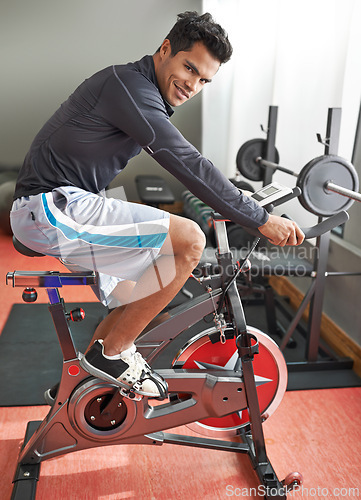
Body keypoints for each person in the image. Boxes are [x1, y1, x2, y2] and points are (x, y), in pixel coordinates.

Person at [10, 11, 304, 400]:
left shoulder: (138, 88)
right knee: (189, 240)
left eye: (204, 80)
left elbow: (190, 164)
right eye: (189, 68)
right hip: (49, 206)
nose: (192, 85)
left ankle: (82, 388)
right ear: (165, 49)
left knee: (135, 300)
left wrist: (237, 203)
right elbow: (185, 160)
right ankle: (113, 354)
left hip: (63, 204)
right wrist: (259, 219)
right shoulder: (129, 86)